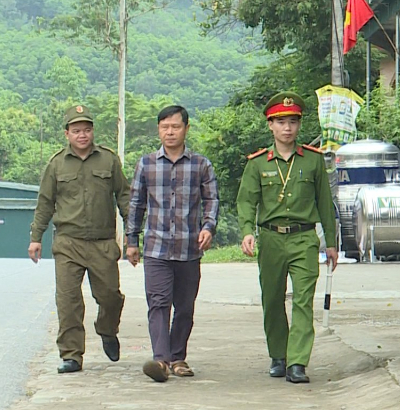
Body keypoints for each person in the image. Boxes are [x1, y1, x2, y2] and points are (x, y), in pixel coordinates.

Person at [236, 91, 338, 384]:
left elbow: (324, 203)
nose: (287, 128)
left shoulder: (313, 160)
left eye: (293, 122)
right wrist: (247, 231)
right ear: (270, 125)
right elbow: (246, 201)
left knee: (303, 300)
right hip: (271, 239)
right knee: (272, 299)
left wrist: (331, 243)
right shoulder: (258, 163)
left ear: (299, 125)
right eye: (281, 122)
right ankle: (278, 355)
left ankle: (297, 362)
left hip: (304, 238)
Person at [29, 104, 131, 374]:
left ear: (93, 131)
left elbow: (124, 196)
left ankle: (107, 329)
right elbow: (45, 202)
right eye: (76, 131)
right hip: (68, 242)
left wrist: (132, 235)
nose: (82, 135)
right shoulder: (56, 164)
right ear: (67, 134)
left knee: (110, 296)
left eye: (86, 130)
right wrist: (36, 237)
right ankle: (71, 354)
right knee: (68, 301)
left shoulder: (108, 160)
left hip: (102, 242)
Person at [126, 105, 219, 383]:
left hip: (189, 248)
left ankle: (178, 357)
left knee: (185, 307)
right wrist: (131, 241)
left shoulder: (201, 165)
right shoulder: (146, 164)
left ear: (186, 129)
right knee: (158, 303)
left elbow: (212, 200)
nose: (170, 132)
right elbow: (136, 204)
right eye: (165, 127)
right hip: (156, 247)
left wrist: (208, 227)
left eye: (175, 127)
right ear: (158, 130)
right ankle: (161, 360)